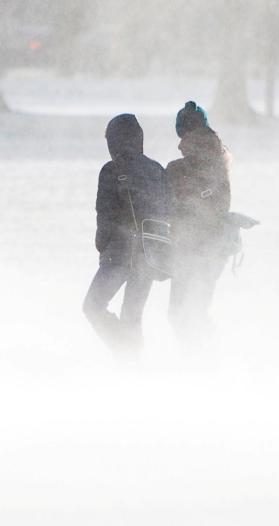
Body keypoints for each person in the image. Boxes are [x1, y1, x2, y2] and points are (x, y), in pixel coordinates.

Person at [83, 114, 166, 355]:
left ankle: (126, 354)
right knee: (133, 316)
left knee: (93, 306)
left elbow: (105, 216)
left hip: (118, 256)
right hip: (150, 257)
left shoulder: (111, 171)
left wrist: (102, 246)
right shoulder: (156, 169)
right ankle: (134, 364)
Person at [165, 101, 231, 338]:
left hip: (191, 249)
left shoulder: (179, 169)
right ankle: (206, 358)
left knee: (180, 312)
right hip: (214, 249)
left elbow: (170, 204)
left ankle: (199, 362)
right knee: (196, 310)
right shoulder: (219, 157)